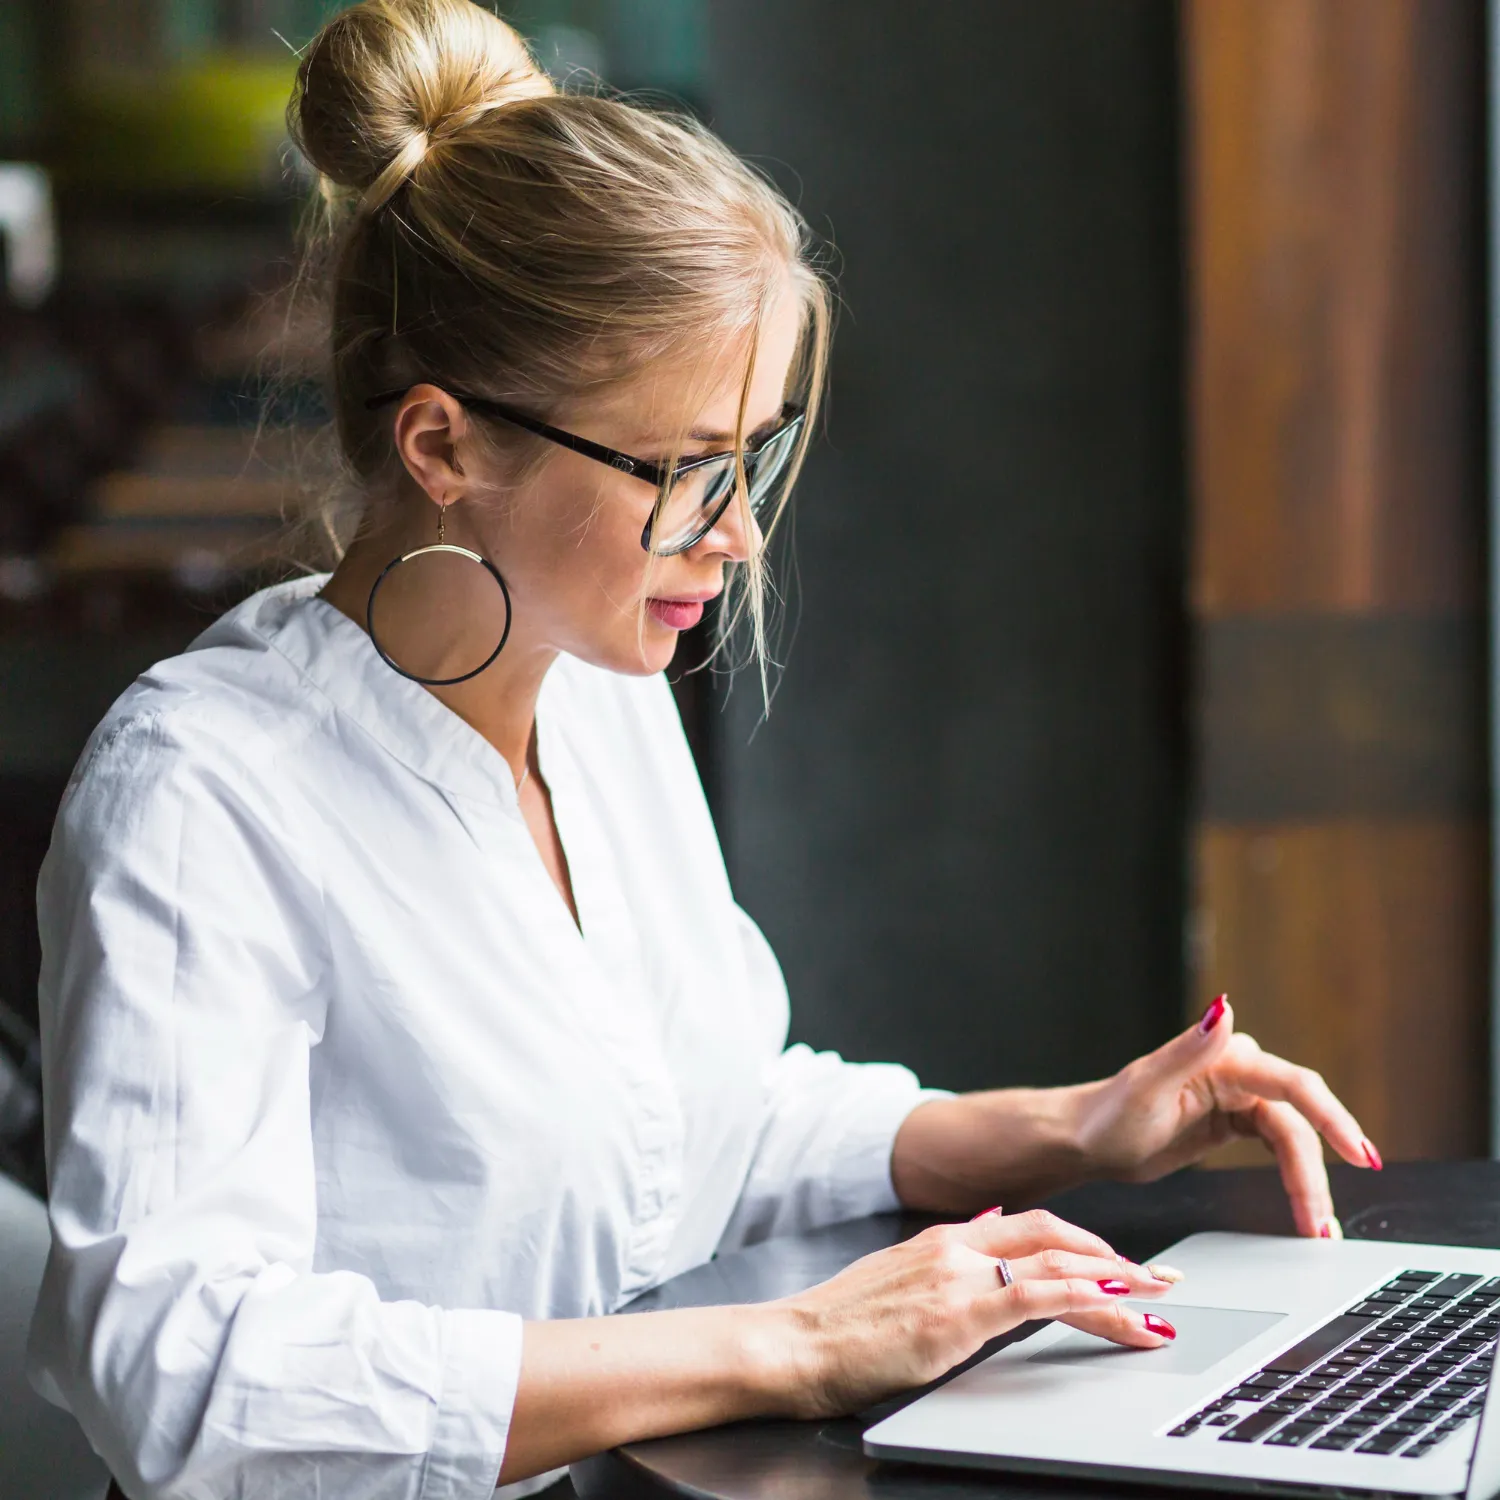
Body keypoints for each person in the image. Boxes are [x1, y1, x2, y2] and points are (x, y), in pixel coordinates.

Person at [26, 3, 1382, 1497]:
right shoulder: (204, 794)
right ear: (442, 446)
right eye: (681, 472)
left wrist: (1072, 1126)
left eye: (759, 457)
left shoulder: (593, 690)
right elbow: (187, 1379)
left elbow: (698, 1123)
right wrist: (799, 1346)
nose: (735, 534)